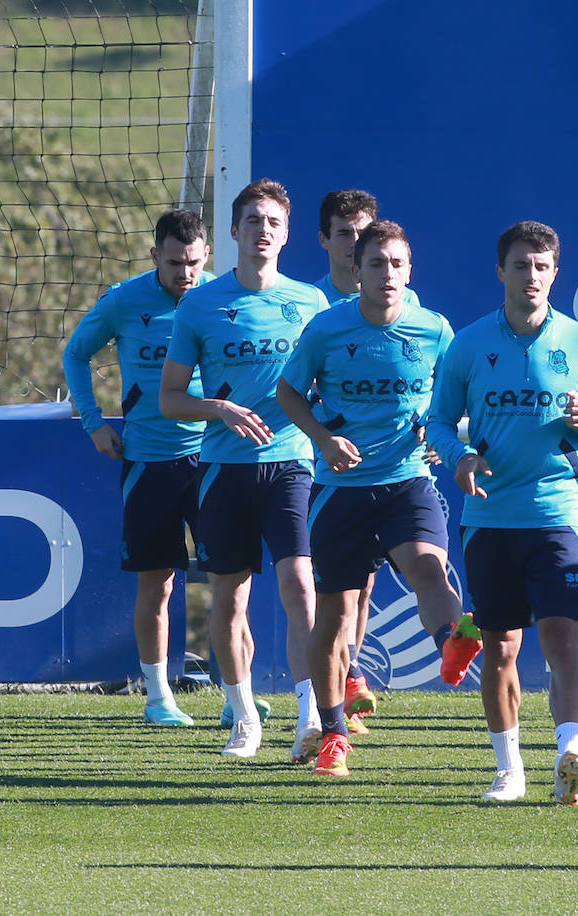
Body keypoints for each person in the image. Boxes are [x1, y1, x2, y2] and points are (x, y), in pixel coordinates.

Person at [278, 219, 481, 776]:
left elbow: (459, 394)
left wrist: (442, 432)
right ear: (356, 269)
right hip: (340, 491)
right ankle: (333, 735)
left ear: (409, 270)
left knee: (428, 569)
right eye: (375, 263)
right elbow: (289, 391)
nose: (387, 273)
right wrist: (322, 438)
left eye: (396, 263)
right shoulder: (326, 329)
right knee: (335, 616)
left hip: (407, 480)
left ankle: (452, 642)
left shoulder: (434, 329)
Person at [427, 220, 578, 804]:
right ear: (500, 272)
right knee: (501, 647)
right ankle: (509, 770)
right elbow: (438, 422)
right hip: (489, 520)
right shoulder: (468, 344)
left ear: (555, 273)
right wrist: (460, 457)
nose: (531, 276)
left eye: (541, 266)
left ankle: (569, 752)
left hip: (557, 515)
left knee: (564, 641)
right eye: (520, 265)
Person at [160, 178, 328, 760]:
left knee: (300, 585)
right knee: (229, 600)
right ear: (234, 230)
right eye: (253, 220)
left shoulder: (312, 303)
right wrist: (219, 409)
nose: (263, 229)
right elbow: (170, 399)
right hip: (223, 469)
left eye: (273, 222)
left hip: (292, 463)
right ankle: (244, 716)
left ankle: (311, 716)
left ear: (287, 234)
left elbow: (332, 386)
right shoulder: (200, 304)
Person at [62, 209, 213, 727]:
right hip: (149, 459)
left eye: (193, 263)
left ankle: (234, 695)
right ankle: (158, 696)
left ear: (207, 255)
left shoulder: (223, 296)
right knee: (159, 581)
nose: (185, 274)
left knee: (230, 578)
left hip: (216, 459)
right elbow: (76, 354)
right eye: (174, 263)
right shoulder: (124, 300)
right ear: (154, 257)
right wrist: (93, 423)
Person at [311, 189, 387, 735]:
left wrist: (430, 429)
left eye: (364, 233)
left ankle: (350, 672)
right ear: (326, 240)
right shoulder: (311, 304)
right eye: (345, 233)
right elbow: (293, 385)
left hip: (384, 467)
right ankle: (329, 701)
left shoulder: (399, 299)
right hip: (322, 465)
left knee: (364, 585)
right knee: (326, 594)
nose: (355, 243)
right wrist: (324, 433)